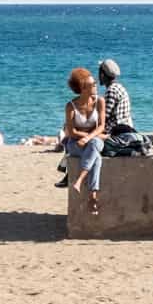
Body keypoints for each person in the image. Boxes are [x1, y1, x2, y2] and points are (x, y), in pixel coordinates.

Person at [62, 67, 106, 214]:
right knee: (97, 157)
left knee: (94, 145)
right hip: (75, 143)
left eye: (95, 83)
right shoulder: (71, 106)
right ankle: (93, 195)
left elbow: (101, 127)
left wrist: (88, 137)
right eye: (92, 84)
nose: (96, 86)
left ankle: (80, 179)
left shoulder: (99, 101)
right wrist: (86, 136)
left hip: (92, 140)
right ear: (82, 88)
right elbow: (71, 132)